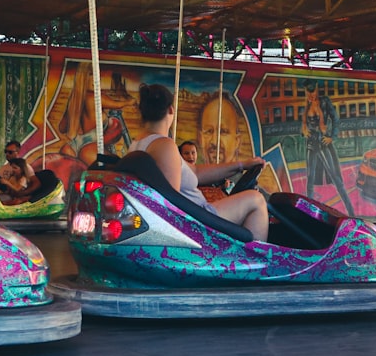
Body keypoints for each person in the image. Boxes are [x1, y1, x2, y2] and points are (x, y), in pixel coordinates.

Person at [130, 83, 268, 241]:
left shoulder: (139, 144)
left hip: (195, 215)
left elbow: (195, 172)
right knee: (256, 200)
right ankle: (257, 261)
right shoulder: (164, 146)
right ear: (171, 110)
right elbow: (171, 206)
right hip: (194, 222)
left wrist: (242, 165)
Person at [302, 80, 354, 216]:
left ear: (317, 90)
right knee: (310, 177)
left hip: (323, 142)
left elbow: (335, 119)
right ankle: (309, 213)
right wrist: (304, 131)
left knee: (335, 177)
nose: (311, 96)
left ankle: (351, 212)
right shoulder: (307, 104)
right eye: (308, 94)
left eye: (312, 93)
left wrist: (332, 136)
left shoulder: (324, 101)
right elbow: (303, 124)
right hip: (311, 142)